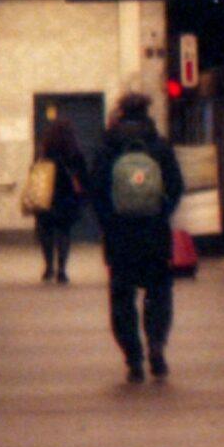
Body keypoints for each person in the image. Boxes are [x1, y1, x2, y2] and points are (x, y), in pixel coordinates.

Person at [93, 90, 185, 382]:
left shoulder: (108, 146)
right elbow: (176, 185)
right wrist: (161, 212)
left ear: (120, 112)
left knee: (122, 297)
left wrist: (108, 222)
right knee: (159, 293)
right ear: (147, 112)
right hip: (154, 233)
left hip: (119, 236)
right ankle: (156, 345)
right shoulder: (159, 145)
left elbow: (97, 191)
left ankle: (133, 357)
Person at [33, 117, 90, 284]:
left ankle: (48, 267)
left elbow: (33, 171)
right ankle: (62, 270)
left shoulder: (43, 152)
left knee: (46, 231)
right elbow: (83, 175)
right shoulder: (75, 153)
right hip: (67, 198)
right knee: (64, 232)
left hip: (46, 196)